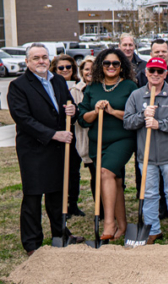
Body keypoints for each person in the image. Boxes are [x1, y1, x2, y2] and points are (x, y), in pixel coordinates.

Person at [8, 43, 85, 256]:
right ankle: (32, 243)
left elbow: (68, 108)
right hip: (34, 148)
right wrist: (53, 134)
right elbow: (22, 118)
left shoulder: (58, 81)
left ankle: (61, 234)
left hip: (58, 149)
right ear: (27, 62)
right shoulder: (19, 85)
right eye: (36, 58)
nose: (41, 61)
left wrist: (74, 109)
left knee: (57, 193)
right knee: (33, 196)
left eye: (44, 57)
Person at [124, 57, 168, 243]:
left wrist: (159, 124)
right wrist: (142, 116)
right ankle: (152, 229)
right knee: (150, 193)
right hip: (147, 156)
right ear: (146, 73)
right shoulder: (137, 96)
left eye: (159, 71)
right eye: (152, 71)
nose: (155, 75)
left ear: (165, 74)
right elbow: (127, 122)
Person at [77, 48, 139, 240]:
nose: (111, 67)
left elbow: (135, 116)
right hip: (98, 141)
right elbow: (83, 119)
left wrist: (112, 111)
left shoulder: (130, 87)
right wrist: (96, 112)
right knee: (115, 181)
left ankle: (109, 223)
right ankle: (122, 226)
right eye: (106, 63)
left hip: (122, 139)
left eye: (115, 63)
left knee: (106, 173)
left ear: (122, 67)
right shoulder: (92, 88)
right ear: (100, 66)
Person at [49, 54, 85, 217]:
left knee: (73, 171)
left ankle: (73, 204)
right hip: (56, 134)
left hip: (73, 132)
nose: (65, 70)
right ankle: (61, 205)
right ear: (55, 69)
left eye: (68, 67)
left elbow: (79, 111)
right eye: (60, 68)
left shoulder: (79, 85)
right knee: (59, 170)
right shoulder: (50, 85)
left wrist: (75, 110)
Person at [71, 56, 99, 217]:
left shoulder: (101, 87)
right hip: (86, 138)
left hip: (102, 136)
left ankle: (107, 207)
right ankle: (99, 209)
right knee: (94, 173)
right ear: (81, 71)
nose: (89, 72)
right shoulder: (76, 91)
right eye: (86, 69)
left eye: (92, 68)